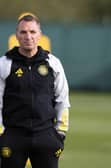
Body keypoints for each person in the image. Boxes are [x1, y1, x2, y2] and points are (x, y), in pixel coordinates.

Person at [0, 13, 70, 168]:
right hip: (13, 136)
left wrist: (60, 133)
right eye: (23, 32)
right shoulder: (4, 64)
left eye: (32, 32)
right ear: (16, 36)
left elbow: (62, 100)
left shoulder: (53, 63)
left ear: (40, 35)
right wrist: (1, 134)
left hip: (46, 136)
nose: (28, 36)